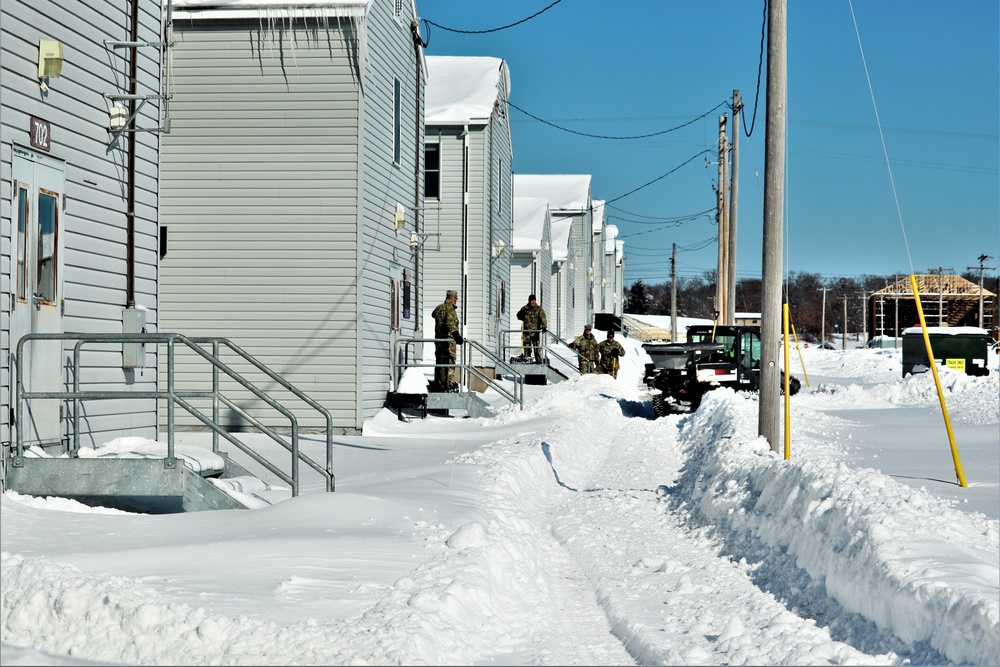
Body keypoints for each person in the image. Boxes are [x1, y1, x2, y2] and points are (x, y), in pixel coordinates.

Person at [430, 290, 463, 392]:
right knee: (449, 362)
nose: (456, 300)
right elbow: (450, 323)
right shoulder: (450, 309)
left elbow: (433, 314)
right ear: (452, 298)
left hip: (439, 341)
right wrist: (456, 335)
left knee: (440, 362)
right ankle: (447, 384)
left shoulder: (439, 308)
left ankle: (439, 383)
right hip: (448, 342)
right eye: (456, 298)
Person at [516, 294, 548, 363]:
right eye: (532, 301)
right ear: (529, 301)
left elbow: (543, 318)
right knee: (527, 348)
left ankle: (539, 361)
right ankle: (527, 360)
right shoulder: (525, 308)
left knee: (537, 348)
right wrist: (521, 313)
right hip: (526, 332)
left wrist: (544, 326)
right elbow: (519, 316)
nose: (533, 302)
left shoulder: (539, 309)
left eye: (534, 300)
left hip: (535, 332)